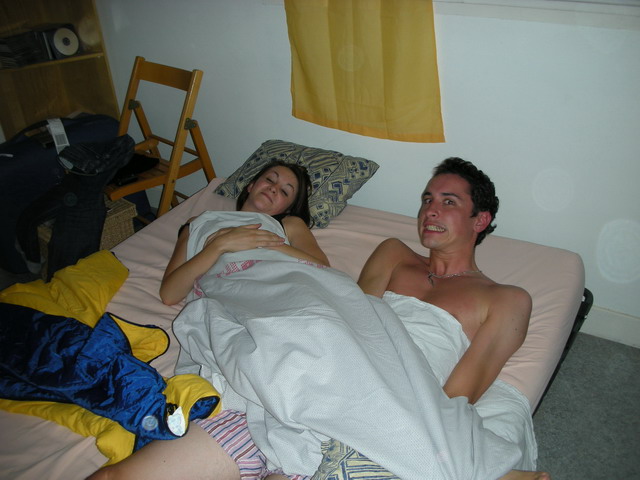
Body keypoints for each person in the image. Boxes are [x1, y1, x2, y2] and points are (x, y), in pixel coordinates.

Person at [89, 160, 328, 480]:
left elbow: (322, 268)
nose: (274, 189)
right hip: (226, 300)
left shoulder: (288, 225)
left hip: (278, 296)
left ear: (287, 206)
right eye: (269, 180)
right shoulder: (199, 224)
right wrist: (219, 245)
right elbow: (170, 293)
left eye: (285, 191)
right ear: (251, 185)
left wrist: (271, 245)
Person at [357, 157, 549, 480]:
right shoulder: (393, 254)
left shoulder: (505, 299)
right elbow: (351, 320)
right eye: (427, 200)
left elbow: (457, 396)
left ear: (480, 220)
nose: (430, 211)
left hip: (405, 393)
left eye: (448, 202)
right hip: (354, 365)